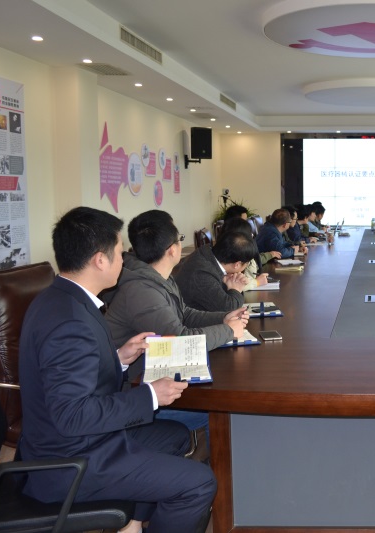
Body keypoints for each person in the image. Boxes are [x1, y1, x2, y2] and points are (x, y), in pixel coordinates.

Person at [18, 206, 216, 533]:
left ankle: (132, 524)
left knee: (175, 436)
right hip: (70, 461)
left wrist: (120, 357)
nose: (125, 259)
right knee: (198, 483)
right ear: (100, 260)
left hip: (82, 440)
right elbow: (72, 415)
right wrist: (151, 396)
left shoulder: (63, 299)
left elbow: (75, 375)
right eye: (120, 252)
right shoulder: (69, 321)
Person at [103, 210, 250, 381]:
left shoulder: (158, 275)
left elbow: (184, 313)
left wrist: (223, 318)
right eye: (180, 239)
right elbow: (179, 341)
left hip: (153, 368)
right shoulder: (141, 290)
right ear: (172, 250)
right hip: (133, 381)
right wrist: (228, 331)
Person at [174, 229, 259, 312]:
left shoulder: (208, 255)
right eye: (247, 263)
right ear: (237, 264)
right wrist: (236, 289)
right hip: (189, 320)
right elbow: (228, 309)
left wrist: (229, 285)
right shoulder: (202, 273)